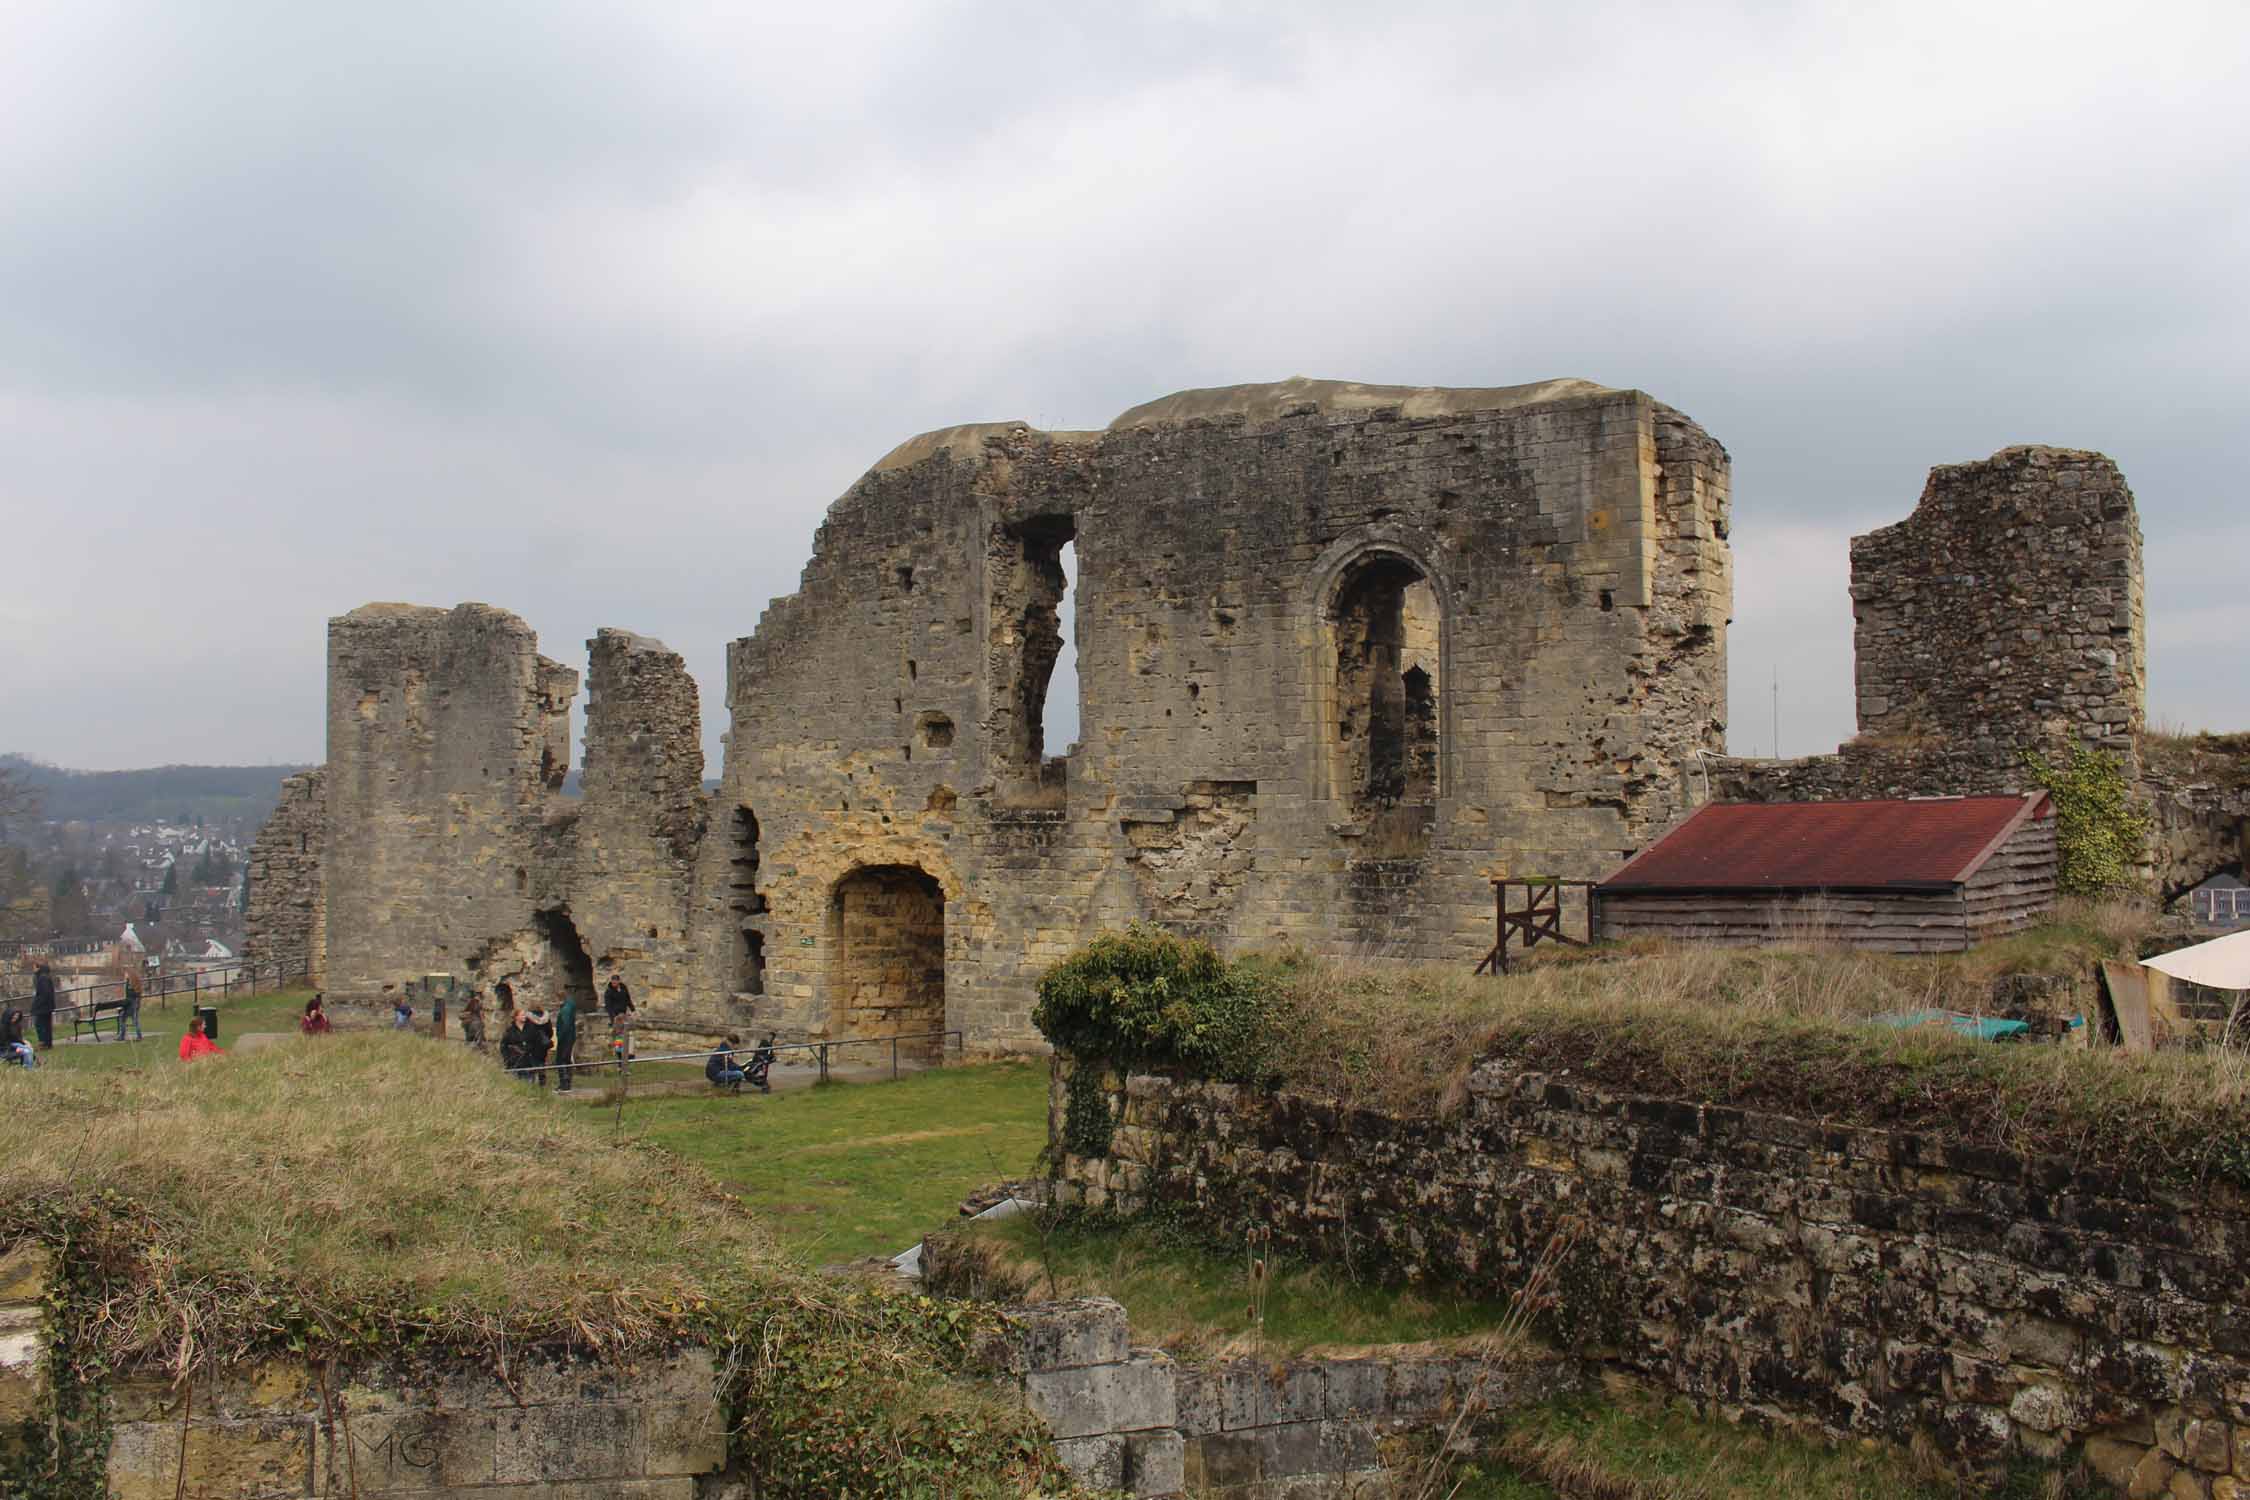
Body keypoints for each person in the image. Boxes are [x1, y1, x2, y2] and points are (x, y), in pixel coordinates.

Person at [602, 973, 636, 1058]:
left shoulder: (623, 988)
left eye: (616, 982)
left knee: (630, 1033)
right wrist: (613, 1018)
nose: (614, 984)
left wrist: (633, 1010)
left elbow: (628, 999)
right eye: (613, 982)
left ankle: (630, 1053)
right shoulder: (609, 992)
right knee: (619, 1036)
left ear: (618, 981)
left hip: (624, 1015)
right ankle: (619, 1055)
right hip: (616, 1016)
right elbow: (608, 1006)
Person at [521, 1004, 554, 1088]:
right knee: (542, 1063)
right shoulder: (546, 1018)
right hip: (543, 1045)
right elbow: (550, 1032)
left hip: (532, 1045)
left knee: (532, 1063)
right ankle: (542, 1083)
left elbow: (527, 1033)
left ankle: (532, 1083)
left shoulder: (529, 1018)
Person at [554, 991, 579, 1093]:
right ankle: (567, 1083)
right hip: (570, 1036)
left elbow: (565, 1025)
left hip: (565, 1038)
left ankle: (564, 1084)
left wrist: (560, 1036)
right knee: (566, 1059)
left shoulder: (565, 1010)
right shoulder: (569, 1006)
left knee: (561, 1060)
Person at [31, 965, 56, 1051]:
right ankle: (47, 1043)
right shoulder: (45, 977)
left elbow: (44, 994)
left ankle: (43, 1043)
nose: (33, 969)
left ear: (39, 968)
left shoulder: (42, 978)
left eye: (34, 967)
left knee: (40, 1024)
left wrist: (37, 1003)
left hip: (43, 1007)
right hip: (47, 1006)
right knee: (46, 1025)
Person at [498, 1008, 527, 1075]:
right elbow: (503, 1045)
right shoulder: (510, 1030)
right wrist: (507, 1058)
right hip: (514, 1062)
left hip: (528, 1062)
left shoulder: (530, 1029)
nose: (524, 1016)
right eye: (522, 1015)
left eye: (525, 1015)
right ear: (516, 1017)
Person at [115, 977, 143, 1042]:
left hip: (131, 1006)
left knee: (123, 1018)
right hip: (133, 1006)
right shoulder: (133, 984)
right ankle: (139, 1036)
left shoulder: (131, 986)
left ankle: (122, 1036)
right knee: (135, 1021)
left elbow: (132, 995)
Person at [460, 988, 488, 1052]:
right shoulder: (473, 1001)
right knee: (477, 1027)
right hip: (473, 1022)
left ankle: (477, 1045)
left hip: (474, 1022)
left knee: (477, 1029)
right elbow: (463, 1013)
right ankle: (478, 1045)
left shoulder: (476, 1001)